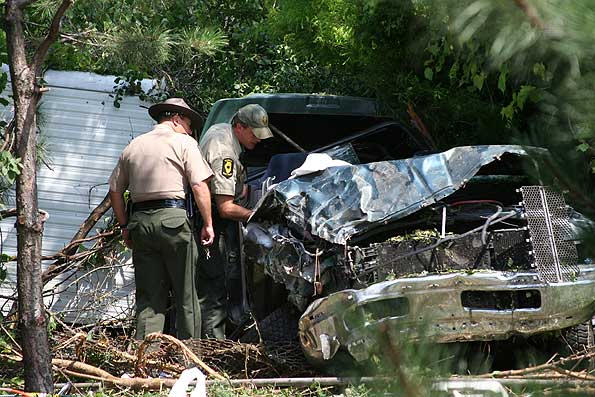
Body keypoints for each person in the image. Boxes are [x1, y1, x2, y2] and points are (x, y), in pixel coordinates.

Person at [109, 97, 215, 340]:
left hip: (140, 224)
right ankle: (190, 361)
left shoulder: (134, 145)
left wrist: (125, 226)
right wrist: (208, 224)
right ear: (177, 120)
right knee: (186, 295)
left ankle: (145, 363)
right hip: (173, 222)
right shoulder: (184, 143)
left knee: (149, 298)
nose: (190, 130)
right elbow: (199, 185)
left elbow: (115, 190)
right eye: (189, 125)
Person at [199, 103, 273, 338]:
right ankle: (213, 348)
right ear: (240, 126)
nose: (259, 140)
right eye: (254, 134)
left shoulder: (222, 130)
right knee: (216, 287)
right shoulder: (225, 151)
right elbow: (225, 208)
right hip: (213, 224)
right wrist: (259, 216)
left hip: (211, 219)